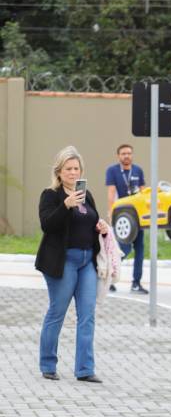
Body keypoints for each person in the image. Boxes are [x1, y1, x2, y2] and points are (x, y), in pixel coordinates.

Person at [35, 146, 110, 384]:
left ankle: (85, 369)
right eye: (68, 168)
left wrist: (101, 227)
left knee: (87, 315)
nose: (73, 172)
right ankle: (48, 365)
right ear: (59, 172)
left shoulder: (86, 195)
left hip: (87, 261)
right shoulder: (51, 195)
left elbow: (90, 222)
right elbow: (47, 224)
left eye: (76, 168)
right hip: (63, 261)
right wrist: (65, 205)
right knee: (57, 312)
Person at [105, 144, 147, 294]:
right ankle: (108, 277)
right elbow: (111, 193)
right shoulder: (112, 171)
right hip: (123, 217)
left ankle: (136, 283)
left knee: (140, 249)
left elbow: (143, 193)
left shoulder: (138, 170)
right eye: (123, 153)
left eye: (129, 153)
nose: (126, 156)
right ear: (118, 156)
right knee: (124, 248)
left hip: (138, 217)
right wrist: (111, 213)